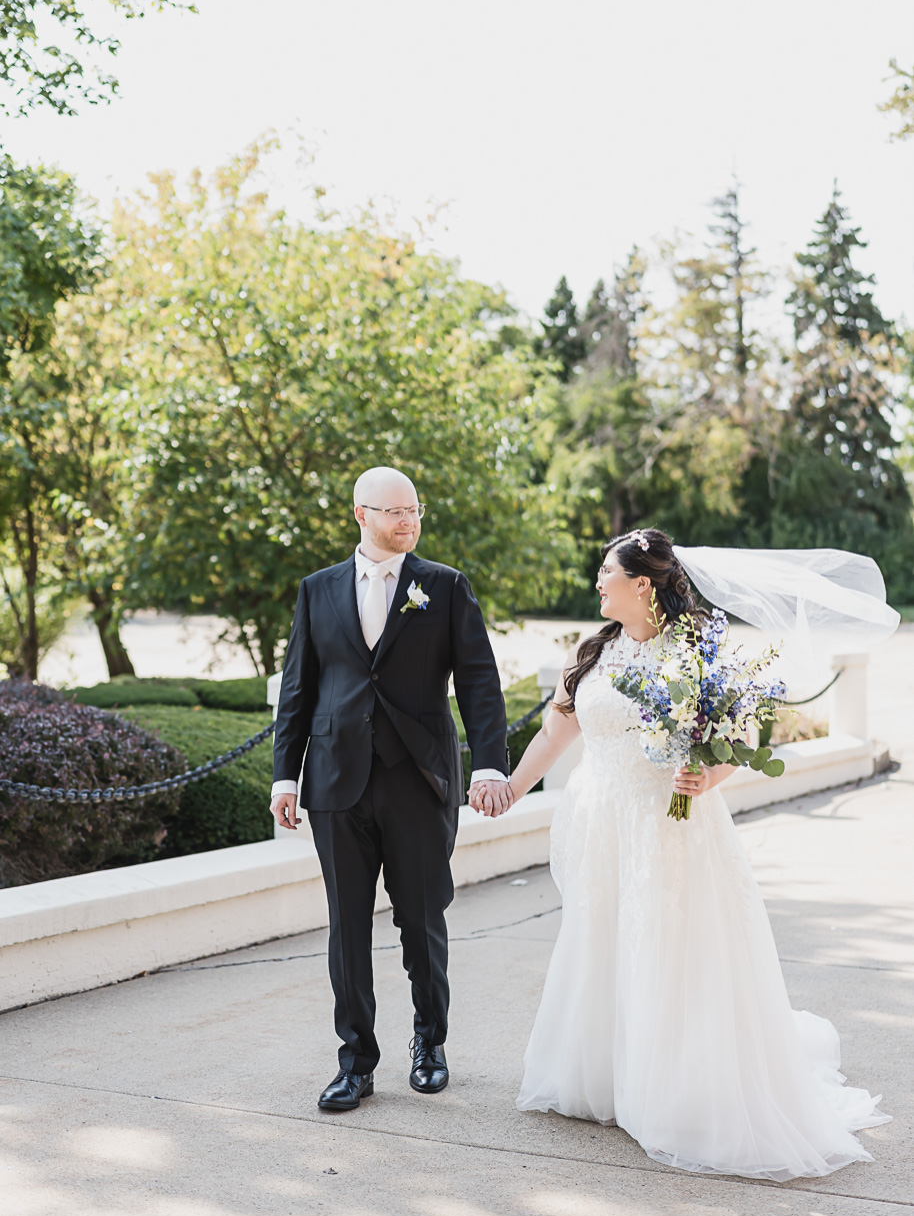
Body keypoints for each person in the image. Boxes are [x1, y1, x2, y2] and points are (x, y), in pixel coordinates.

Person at [471, 528, 891, 1180]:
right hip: (602, 822)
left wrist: (709, 776)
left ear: (642, 584)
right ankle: (608, 1078)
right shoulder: (592, 650)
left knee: (668, 946)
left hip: (670, 827)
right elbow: (557, 731)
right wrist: (510, 787)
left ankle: (672, 1091)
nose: (598, 582)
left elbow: (737, 734)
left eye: (607, 571)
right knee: (602, 938)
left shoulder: (694, 650)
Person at [271, 467, 511, 1111]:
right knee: (347, 926)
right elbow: (298, 689)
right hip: (334, 782)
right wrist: (283, 775)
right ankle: (355, 1063)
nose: (409, 522)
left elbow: (480, 683)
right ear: (361, 514)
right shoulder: (316, 591)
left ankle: (430, 1043)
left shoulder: (445, 587)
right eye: (395, 511)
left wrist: (490, 764)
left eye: (416, 510)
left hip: (418, 778)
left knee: (421, 917)